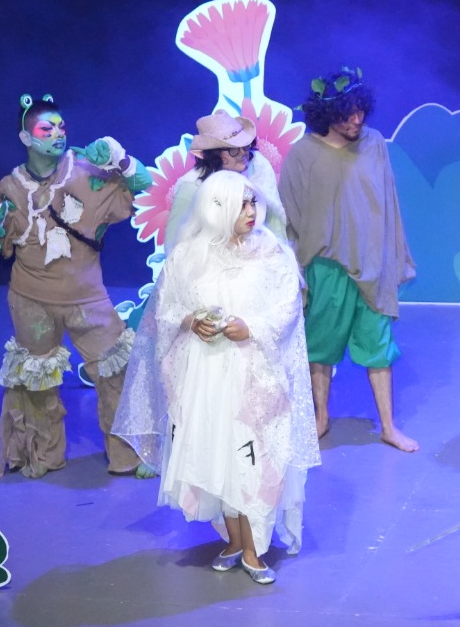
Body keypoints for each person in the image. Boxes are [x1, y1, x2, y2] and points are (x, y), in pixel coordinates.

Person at [115, 171, 319, 583]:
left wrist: (252, 327)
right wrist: (192, 321)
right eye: (240, 204)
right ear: (216, 208)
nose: (250, 211)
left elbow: (286, 308)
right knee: (215, 454)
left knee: (252, 459)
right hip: (204, 376)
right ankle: (233, 540)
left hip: (253, 377)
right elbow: (167, 308)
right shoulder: (188, 255)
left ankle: (254, 548)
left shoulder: (272, 253)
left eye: (252, 202)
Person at [0, 94, 151, 479]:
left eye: (61, 127)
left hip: (87, 298)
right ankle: (42, 455)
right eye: (46, 129)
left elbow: (148, 188)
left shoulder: (87, 171)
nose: (57, 134)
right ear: (26, 138)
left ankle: (129, 455)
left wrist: (122, 160)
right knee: (36, 380)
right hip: (30, 299)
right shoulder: (10, 186)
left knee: (115, 371)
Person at [278, 67, 417, 450]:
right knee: (320, 346)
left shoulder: (374, 143)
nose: (356, 120)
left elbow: (388, 203)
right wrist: (298, 270)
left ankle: (388, 426)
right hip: (326, 267)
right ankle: (321, 417)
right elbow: (290, 213)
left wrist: (392, 257)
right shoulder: (303, 154)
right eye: (346, 114)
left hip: (371, 266)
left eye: (360, 111)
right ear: (327, 114)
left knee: (379, 347)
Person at [164, 110, 288, 250]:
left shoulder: (258, 168)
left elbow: (275, 223)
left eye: (244, 146)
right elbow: (173, 244)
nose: (243, 153)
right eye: (233, 150)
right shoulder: (192, 187)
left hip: (258, 256)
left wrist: (278, 255)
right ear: (214, 155)